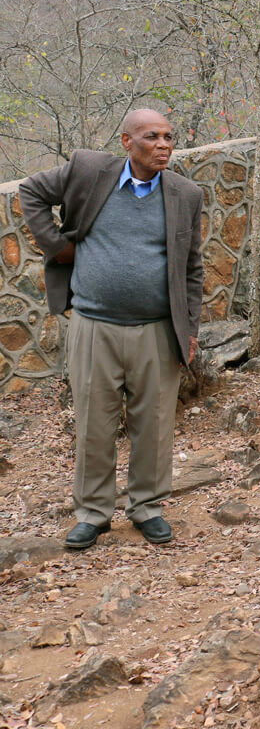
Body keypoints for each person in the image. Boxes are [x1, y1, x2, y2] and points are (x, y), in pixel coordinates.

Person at [20, 110, 203, 549]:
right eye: (151, 137)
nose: (163, 145)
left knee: (154, 423)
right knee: (94, 424)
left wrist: (190, 328)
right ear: (126, 141)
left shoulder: (185, 193)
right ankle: (93, 513)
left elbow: (192, 266)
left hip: (158, 329)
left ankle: (147, 507)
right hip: (93, 325)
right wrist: (59, 247)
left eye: (168, 137)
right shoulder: (88, 170)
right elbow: (30, 192)